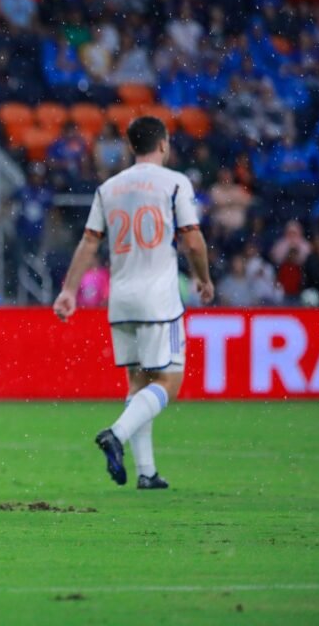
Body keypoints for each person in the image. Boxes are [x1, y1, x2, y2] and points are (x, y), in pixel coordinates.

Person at [54, 116, 213, 491]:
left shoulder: (109, 187)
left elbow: (90, 242)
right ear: (163, 144)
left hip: (121, 298)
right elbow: (191, 239)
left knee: (139, 383)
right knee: (169, 383)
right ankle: (116, 433)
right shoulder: (175, 182)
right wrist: (203, 278)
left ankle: (147, 471)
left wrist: (69, 290)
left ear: (130, 146)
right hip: (158, 298)